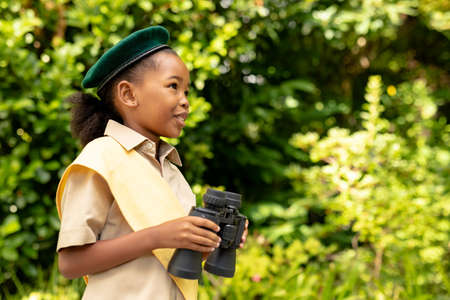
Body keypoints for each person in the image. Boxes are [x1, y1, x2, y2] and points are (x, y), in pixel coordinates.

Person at [55, 25, 249, 300]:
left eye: (187, 91)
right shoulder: (100, 158)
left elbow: (168, 258)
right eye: (173, 86)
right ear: (128, 95)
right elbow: (70, 263)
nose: (185, 102)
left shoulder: (170, 169)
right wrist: (156, 237)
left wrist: (214, 242)